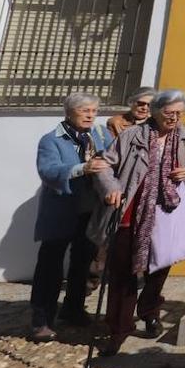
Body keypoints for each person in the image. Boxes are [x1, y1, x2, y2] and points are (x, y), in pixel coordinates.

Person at [90, 89, 185, 356]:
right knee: (123, 273)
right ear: (155, 112)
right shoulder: (131, 136)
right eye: (168, 113)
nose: (174, 118)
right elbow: (103, 165)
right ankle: (118, 330)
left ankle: (150, 310)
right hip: (131, 212)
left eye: (179, 113)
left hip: (167, 211)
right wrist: (111, 188)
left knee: (160, 266)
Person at [29, 92, 114, 341]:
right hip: (61, 211)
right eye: (84, 110)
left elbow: (113, 161)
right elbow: (48, 171)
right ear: (69, 112)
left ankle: (73, 308)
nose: (90, 115)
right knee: (50, 265)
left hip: (90, 210)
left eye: (94, 111)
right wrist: (82, 168)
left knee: (82, 261)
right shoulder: (51, 140)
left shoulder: (101, 135)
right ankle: (41, 318)